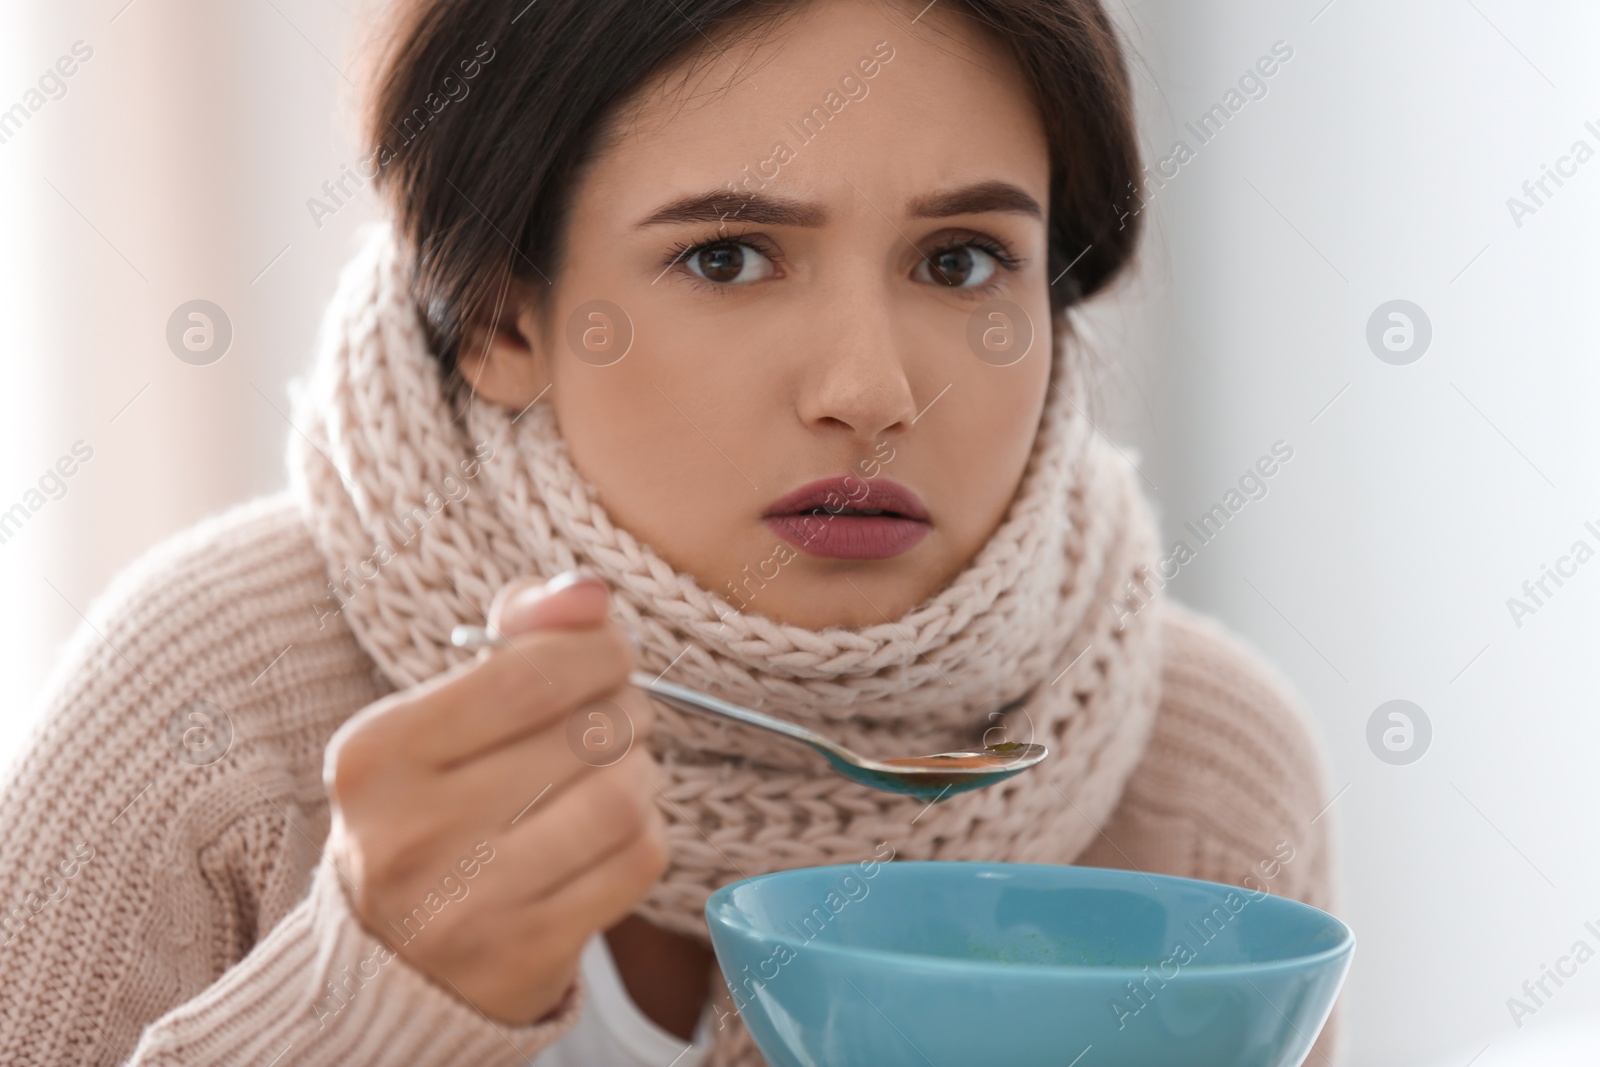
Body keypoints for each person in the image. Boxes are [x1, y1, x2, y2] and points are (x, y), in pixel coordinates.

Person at [0, 0, 1342, 1063]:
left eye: (960, 261)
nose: (871, 390)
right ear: (501, 316)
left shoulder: (1202, 778)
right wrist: (367, 1009)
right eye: (727, 258)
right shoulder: (203, 717)